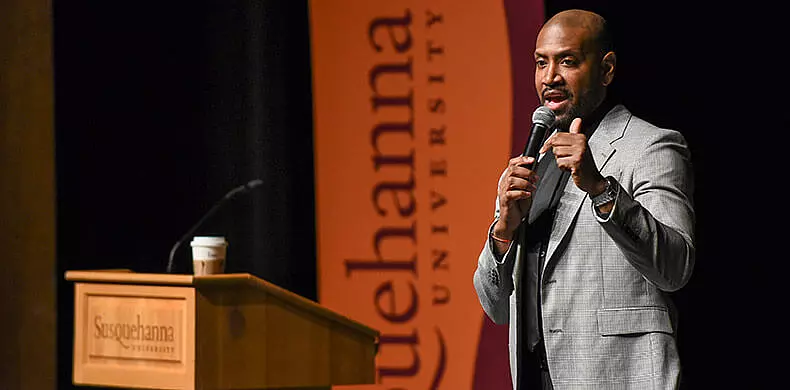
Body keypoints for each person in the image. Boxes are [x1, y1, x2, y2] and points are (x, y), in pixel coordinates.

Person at [473, 9, 695, 390]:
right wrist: (503, 232)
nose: (550, 77)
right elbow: (496, 309)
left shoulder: (650, 146)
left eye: (568, 61)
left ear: (606, 69)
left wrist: (599, 187)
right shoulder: (532, 164)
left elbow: (675, 268)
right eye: (541, 62)